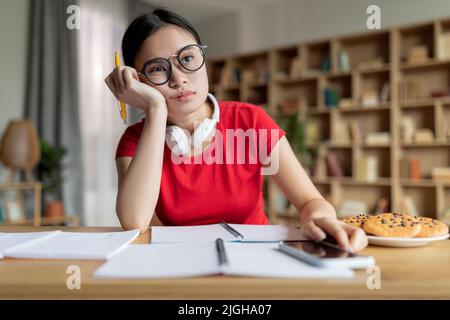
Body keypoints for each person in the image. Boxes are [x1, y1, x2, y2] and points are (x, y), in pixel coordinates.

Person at [104, 8, 367, 252]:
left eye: (187, 58)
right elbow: (135, 223)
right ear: (137, 81)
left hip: (257, 258)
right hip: (185, 262)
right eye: (158, 68)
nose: (179, 78)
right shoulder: (135, 140)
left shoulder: (250, 121)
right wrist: (155, 111)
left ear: (203, 59)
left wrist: (320, 218)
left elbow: (310, 200)